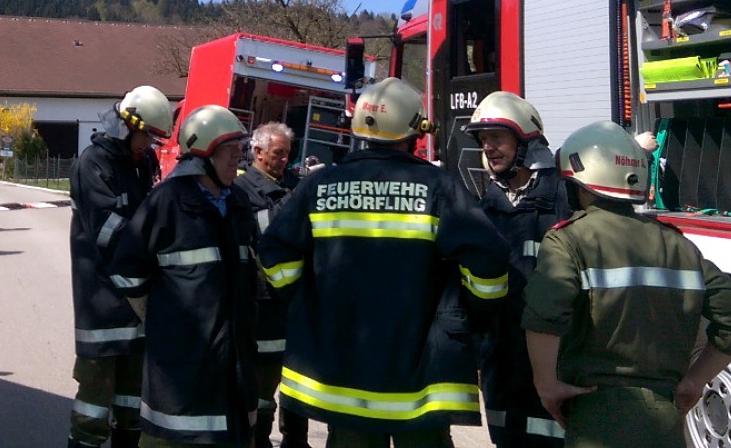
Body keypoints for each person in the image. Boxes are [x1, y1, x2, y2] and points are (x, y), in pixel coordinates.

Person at [258, 77, 512, 448]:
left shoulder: (319, 185)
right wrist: (473, 312)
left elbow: (275, 253)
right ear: (414, 130)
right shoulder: (438, 187)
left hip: (343, 380)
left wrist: (305, 301)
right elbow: (488, 259)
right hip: (421, 383)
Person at [522, 121, 731, 447]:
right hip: (665, 418)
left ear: (581, 183)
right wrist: (694, 381)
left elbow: (545, 313)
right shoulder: (680, 246)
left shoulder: (568, 240)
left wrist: (547, 386)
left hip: (595, 415)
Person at [108, 104, 259, 447]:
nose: (239, 156)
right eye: (230, 149)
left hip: (234, 376)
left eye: (240, 147)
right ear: (203, 152)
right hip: (180, 376)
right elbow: (126, 271)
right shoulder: (167, 203)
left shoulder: (239, 203)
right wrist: (160, 317)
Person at [68, 86, 173, 448]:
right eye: (148, 135)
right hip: (102, 308)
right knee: (93, 413)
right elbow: (109, 232)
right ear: (128, 125)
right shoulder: (92, 163)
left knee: (132, 409)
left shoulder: (143, 163)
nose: (150, 145)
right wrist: (155, 244)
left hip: (137, 306)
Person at [464, 91, 571, 447]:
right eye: (483, 140)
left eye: (497, 137)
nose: (489, 147)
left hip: (556, 363)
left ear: (526, 140)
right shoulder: (486, 208)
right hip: (501, 365)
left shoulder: (564, 201)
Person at [233, 122, 311, 448]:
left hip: (297, 301)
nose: (284, 160)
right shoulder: (243, 192)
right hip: (263, 303)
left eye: (288, 154)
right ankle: (259, 440)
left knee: (297, 379)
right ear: (258, 151)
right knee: (263, 382)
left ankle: (296, 440)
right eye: (278, 154)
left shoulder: (296, 186)